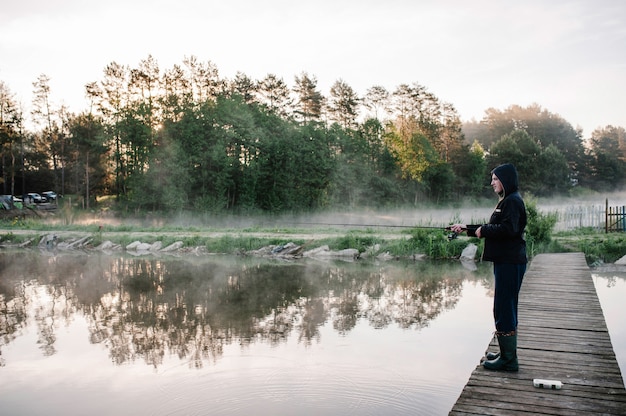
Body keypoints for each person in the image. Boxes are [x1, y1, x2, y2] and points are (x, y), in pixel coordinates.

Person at [450, 163, 527, 372]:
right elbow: (495, 227)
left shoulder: (512, 201)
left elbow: (508, 230)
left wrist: (483, 230)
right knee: (503, 307)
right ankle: (505, 353)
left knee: (504, 308)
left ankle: (509, 360)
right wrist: (467, 228)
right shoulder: (508, 200)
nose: (492, 182)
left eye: (495, 179)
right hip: (506, 261)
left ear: (505, 180)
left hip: (510, 262)